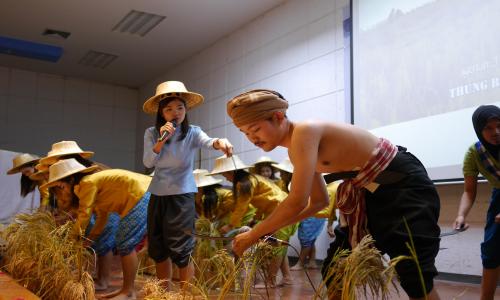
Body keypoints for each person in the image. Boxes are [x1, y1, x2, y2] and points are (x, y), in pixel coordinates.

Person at [226, 89, 441, 300]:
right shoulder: (295, 151)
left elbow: (297, 201)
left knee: (415, 275)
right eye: (246, 133)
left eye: (255, 129)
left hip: (400, 183)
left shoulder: (305, 131)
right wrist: (268, 229)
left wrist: (253, 234)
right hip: (367, 194)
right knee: (335, 269)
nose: (252, 138)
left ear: (278, 116)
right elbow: (319, 201)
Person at [142, 81, 233, 290]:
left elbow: (209, 141)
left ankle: (186, 294)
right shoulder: (152, 133)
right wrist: (162, 140)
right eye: (169, 109)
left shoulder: (192, 132)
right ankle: (162, 293)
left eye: (180, 107)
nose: (175, 112)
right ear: (161, 112)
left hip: (182, 195)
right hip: (157, 195)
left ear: (186, 110)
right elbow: (148, 163)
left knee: (182, 247)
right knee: (158, 246)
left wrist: (220, 142)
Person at [42, 158, 151, 300]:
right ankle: (125, 290)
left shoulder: (87, 183)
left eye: (61, 188)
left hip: (140, 195)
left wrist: (73, 238)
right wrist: (91, 237)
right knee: (123, 241)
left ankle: (129, 292)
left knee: (125, 242)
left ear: (70, 181)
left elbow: (84, 215)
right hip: (139, 195)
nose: (61, 193)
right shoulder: (89, 187)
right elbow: (102, 216)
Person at [209, 155, 297, 288]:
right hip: (277, 209)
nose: (225, 177)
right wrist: (255, 219)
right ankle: (287, 277)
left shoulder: (245, 183)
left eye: (224, 174)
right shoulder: (250, 180)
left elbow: (241, 207)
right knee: (279, 245)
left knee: (277, 248)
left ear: (231, 172)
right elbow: (264, 200)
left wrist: (231, 225)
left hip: (282, 210)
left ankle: (271, 281)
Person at [454, 105, 500, 300]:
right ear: (479, 130)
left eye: (499, 126)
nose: (496, 132)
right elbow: (469, 192)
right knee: (491, 252)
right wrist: (461, 215)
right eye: (488, 128)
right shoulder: (474, 153)